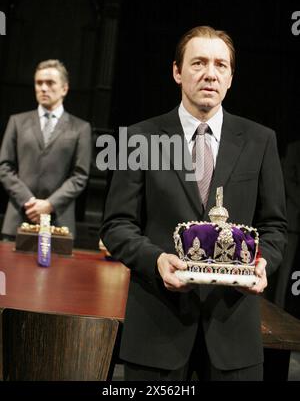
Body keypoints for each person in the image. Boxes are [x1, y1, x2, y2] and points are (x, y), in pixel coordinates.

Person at [101, 26, 287, 381]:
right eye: (198, 62)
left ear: (231, 77)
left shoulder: (261, 141)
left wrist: (263, 263)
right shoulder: (140, 138)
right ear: (176, 71)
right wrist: (156, 260)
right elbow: (116, 225)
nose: (210, 74)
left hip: (234, 331)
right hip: (157, 328)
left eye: (220, 65)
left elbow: (275, 226)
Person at [0, 59, 92, 238]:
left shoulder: (81, 128)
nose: (43, 88)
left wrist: (49, 204)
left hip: (58, 221)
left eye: (50, 83)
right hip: (19, 217)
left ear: (64, 88)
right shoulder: (17, 122)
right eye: (39, 83)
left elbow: (80, 175)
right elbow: (4, 166)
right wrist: (29, 202)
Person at [274, 140, 300, 317]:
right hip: (295, 219)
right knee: (287, 269)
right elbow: (287, 180)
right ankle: (279, 310)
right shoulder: (295, 148)